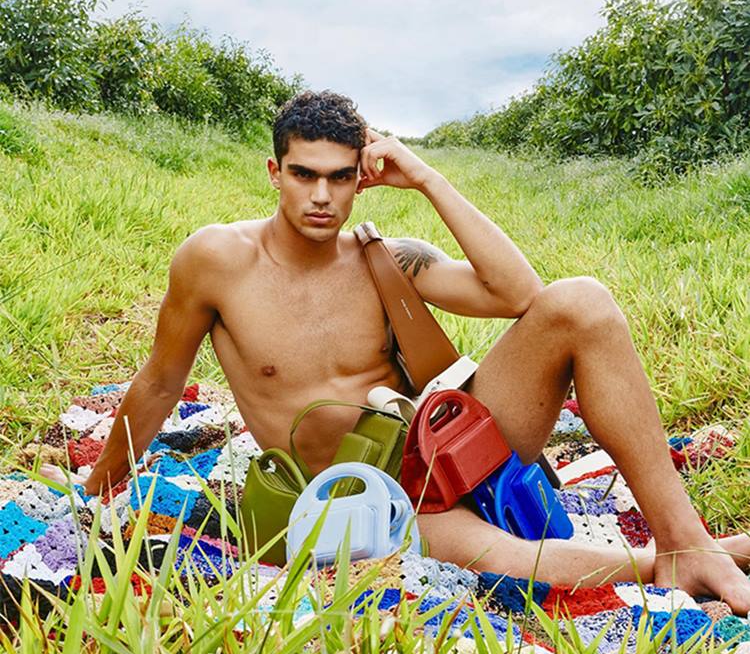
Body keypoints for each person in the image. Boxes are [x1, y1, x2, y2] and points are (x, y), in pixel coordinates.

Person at [42, 90, 750, 613]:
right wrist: (98, 489)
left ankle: (686, 538)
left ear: (363, 176)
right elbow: (162, 380)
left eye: (340, 177)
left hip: (447, 440)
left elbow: (519, 294)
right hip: (372, 502)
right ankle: (692, 560)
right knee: (517, 565)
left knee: (583, 299)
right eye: (304, 174)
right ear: (274, 170)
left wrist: (428, 179)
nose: (322, 196)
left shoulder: (387, 256)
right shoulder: (216, 260)